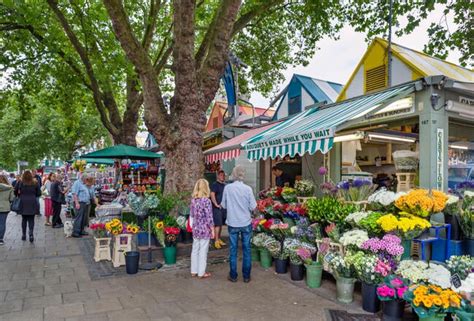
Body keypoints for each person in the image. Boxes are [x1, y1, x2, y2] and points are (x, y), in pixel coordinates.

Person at [221, 166, 257, 283]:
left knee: (233, 250)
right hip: (245, 222)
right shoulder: (248, 189)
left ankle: (233, 275)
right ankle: (246, 276)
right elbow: (253, 207)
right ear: (243, 175)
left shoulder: (227, 188)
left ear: (234, 174)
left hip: (232, 222)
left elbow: (224, 205)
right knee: (247, 249)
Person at [190, 179, 214, 279]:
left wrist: (192, 226)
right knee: (203, 251)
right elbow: (209, 217)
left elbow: (191, 215)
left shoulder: (193, 200)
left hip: (195, 228)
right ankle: (201, 272)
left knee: (195, 249)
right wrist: (212, 229)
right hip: (204, 229)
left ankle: (194, 271)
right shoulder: (207, 201)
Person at [14, 170, 41, 242]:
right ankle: (31, 233)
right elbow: (39, 193)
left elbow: (15, 191)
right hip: (32, 202)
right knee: (31, 219)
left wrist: (19, 195)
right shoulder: (35, 182)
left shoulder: (20, 182)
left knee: (24, 219)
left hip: (23, 202)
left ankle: (23, 235)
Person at [210, 170, 226, 249]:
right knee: (217, 225)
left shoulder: (224, 185)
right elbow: (212, 194)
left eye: (224, 175)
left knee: (221, 224)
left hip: (223, 208)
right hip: (216, 208)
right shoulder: (215, 185)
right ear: (218, 176)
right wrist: (216, 204)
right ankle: (216, 241)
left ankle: (219, 239)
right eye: (221, 175)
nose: (223, 177)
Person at [0, 175, 14, 245]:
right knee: (2, 223)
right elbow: (12, 199)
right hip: (5, 207)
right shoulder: (10, 188)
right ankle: (1, 239)